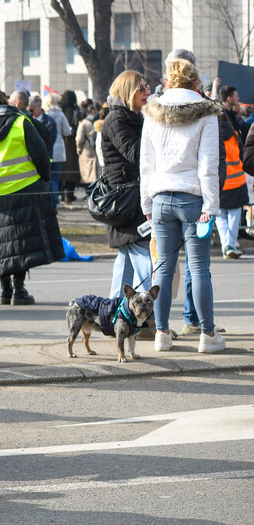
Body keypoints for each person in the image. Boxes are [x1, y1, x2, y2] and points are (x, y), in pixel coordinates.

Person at [141, 58, 225, 353]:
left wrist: (146, 202)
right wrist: (211, 206)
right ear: (195, 82)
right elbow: (208, 165)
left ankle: (161, 334)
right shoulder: (206, 113)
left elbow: (146, 163)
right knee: (199, 268)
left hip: (162, 196)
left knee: (162, 268)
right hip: (193, 197)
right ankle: (208, 335)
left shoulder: (152, 111)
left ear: (169, 81)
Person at [0, 90, 63, 305]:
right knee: (22, 242)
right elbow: (41, 154)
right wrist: (44, 179)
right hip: (26, 189)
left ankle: (5, 291)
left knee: (2, 242)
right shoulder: (20, 122)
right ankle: (19, 290)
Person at [101, 71, 153, 299]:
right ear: (127, 91)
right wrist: (154, 123)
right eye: (141, 88)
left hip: (131, 195)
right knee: (142, 255)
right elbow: (136, 153)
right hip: (126, 199)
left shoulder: (133, 117)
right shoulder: (117, 119)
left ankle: (115, 312)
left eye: (146, 87)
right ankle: (146, 317)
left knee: (127, 257)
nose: (146, 92)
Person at [214, 85, 247, 259]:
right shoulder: (233, 134)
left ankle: (227, 245)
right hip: (236, 181)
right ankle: (229, 245)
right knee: (234, 216)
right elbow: (242, 154)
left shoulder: (211, 136)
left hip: (219, 182)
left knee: (221, 217)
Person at [44, 93, 73, 211]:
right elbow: (67, 131)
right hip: (59, 150)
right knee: (55, 179)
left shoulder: (44, 115)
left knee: (48, 179)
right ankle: (54, 204)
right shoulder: (60, 115)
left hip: (47, 149)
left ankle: (49, 204)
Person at [76, 103, 101, 187]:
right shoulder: (98, 122)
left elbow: (79, 139)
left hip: (86, 150)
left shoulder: (83, 123)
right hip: (96, 149)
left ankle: (89, 193)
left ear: (87, 112)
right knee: (96, 172)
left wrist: (79, 150)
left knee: (87, 173)